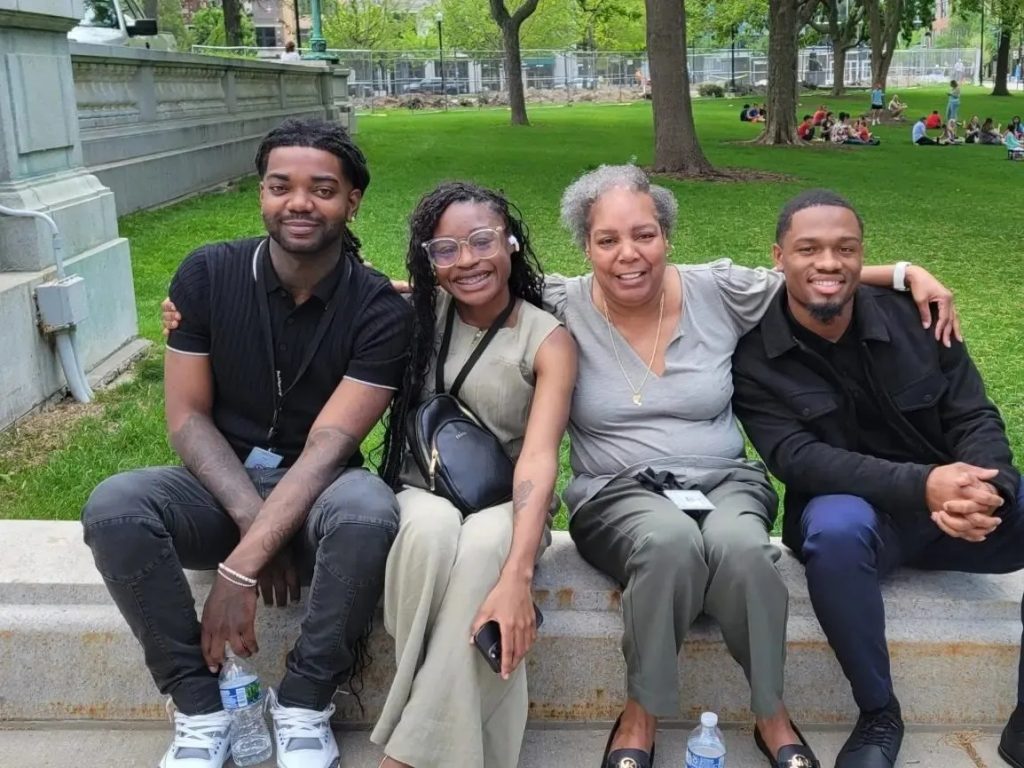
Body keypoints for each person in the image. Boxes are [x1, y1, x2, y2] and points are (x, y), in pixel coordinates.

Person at [544, 165, 957, 768]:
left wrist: (902, 273)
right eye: (608, 240)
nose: (628, 254)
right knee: (669, 543)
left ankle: (771, 712)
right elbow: (469, 279)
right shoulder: (562, 301)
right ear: (586, 246)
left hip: (723, 481)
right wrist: (394, 287)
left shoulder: (717, 289)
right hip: (617, 491)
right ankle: (640, 714)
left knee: (743, 550)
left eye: (645, 234)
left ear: (667, 236)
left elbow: (811, 273)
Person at [84, 118, 414, 768]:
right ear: (260, 193)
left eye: (322, 188)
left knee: (368, 512)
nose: (299, 202)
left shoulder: (377, 309)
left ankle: (304, 702)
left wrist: (242, 565)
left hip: (322, 492)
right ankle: (201, 709)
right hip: (219, 486)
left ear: (352, 201)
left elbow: (331, 442)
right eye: (279, 185)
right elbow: (186, 420)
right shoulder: (207, 275)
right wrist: (256, 536)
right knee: (116, 506)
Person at [732, 188, 1023, 768]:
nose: (829, 263)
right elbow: (799, 459)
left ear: (863, 256)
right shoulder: (755, 356)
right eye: (808, 249)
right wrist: (926, 485)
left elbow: (973, 413)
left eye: (845, 248)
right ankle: (878, 716)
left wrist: (988, 488)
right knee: (835, 530)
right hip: (862, 525)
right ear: (778, 257)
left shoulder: (920, 318)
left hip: (954, 515)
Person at [370, 182, 577, 768]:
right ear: (428, 260)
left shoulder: (548, 339)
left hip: (509, 499)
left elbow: (539, 458)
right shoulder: (418, 316)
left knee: (490, 540)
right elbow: (330, 290)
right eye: (445, 250)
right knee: (431, 532)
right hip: (419, 490)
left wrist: (520, 577)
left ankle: (406, 753)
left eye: (482, 241)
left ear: (510, 241)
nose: (466, 261)